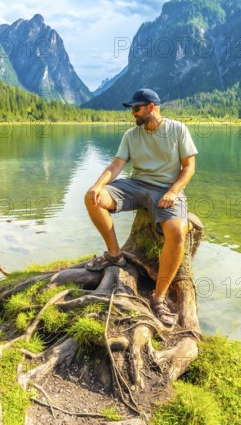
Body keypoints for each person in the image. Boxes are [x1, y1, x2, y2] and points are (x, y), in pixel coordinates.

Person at [84, 88, 197, 326]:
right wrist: (98, 185)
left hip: (166, 189)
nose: (132, 113)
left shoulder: (177, 130)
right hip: (135, 185)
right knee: (92, 198)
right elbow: (117, 164)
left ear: (151, 108)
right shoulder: (131, 135)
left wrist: (173, 192)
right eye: (131, 109)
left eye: (136, 108)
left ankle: (159, 297)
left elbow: (189, 167)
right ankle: (115, 255)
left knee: (177, 231)